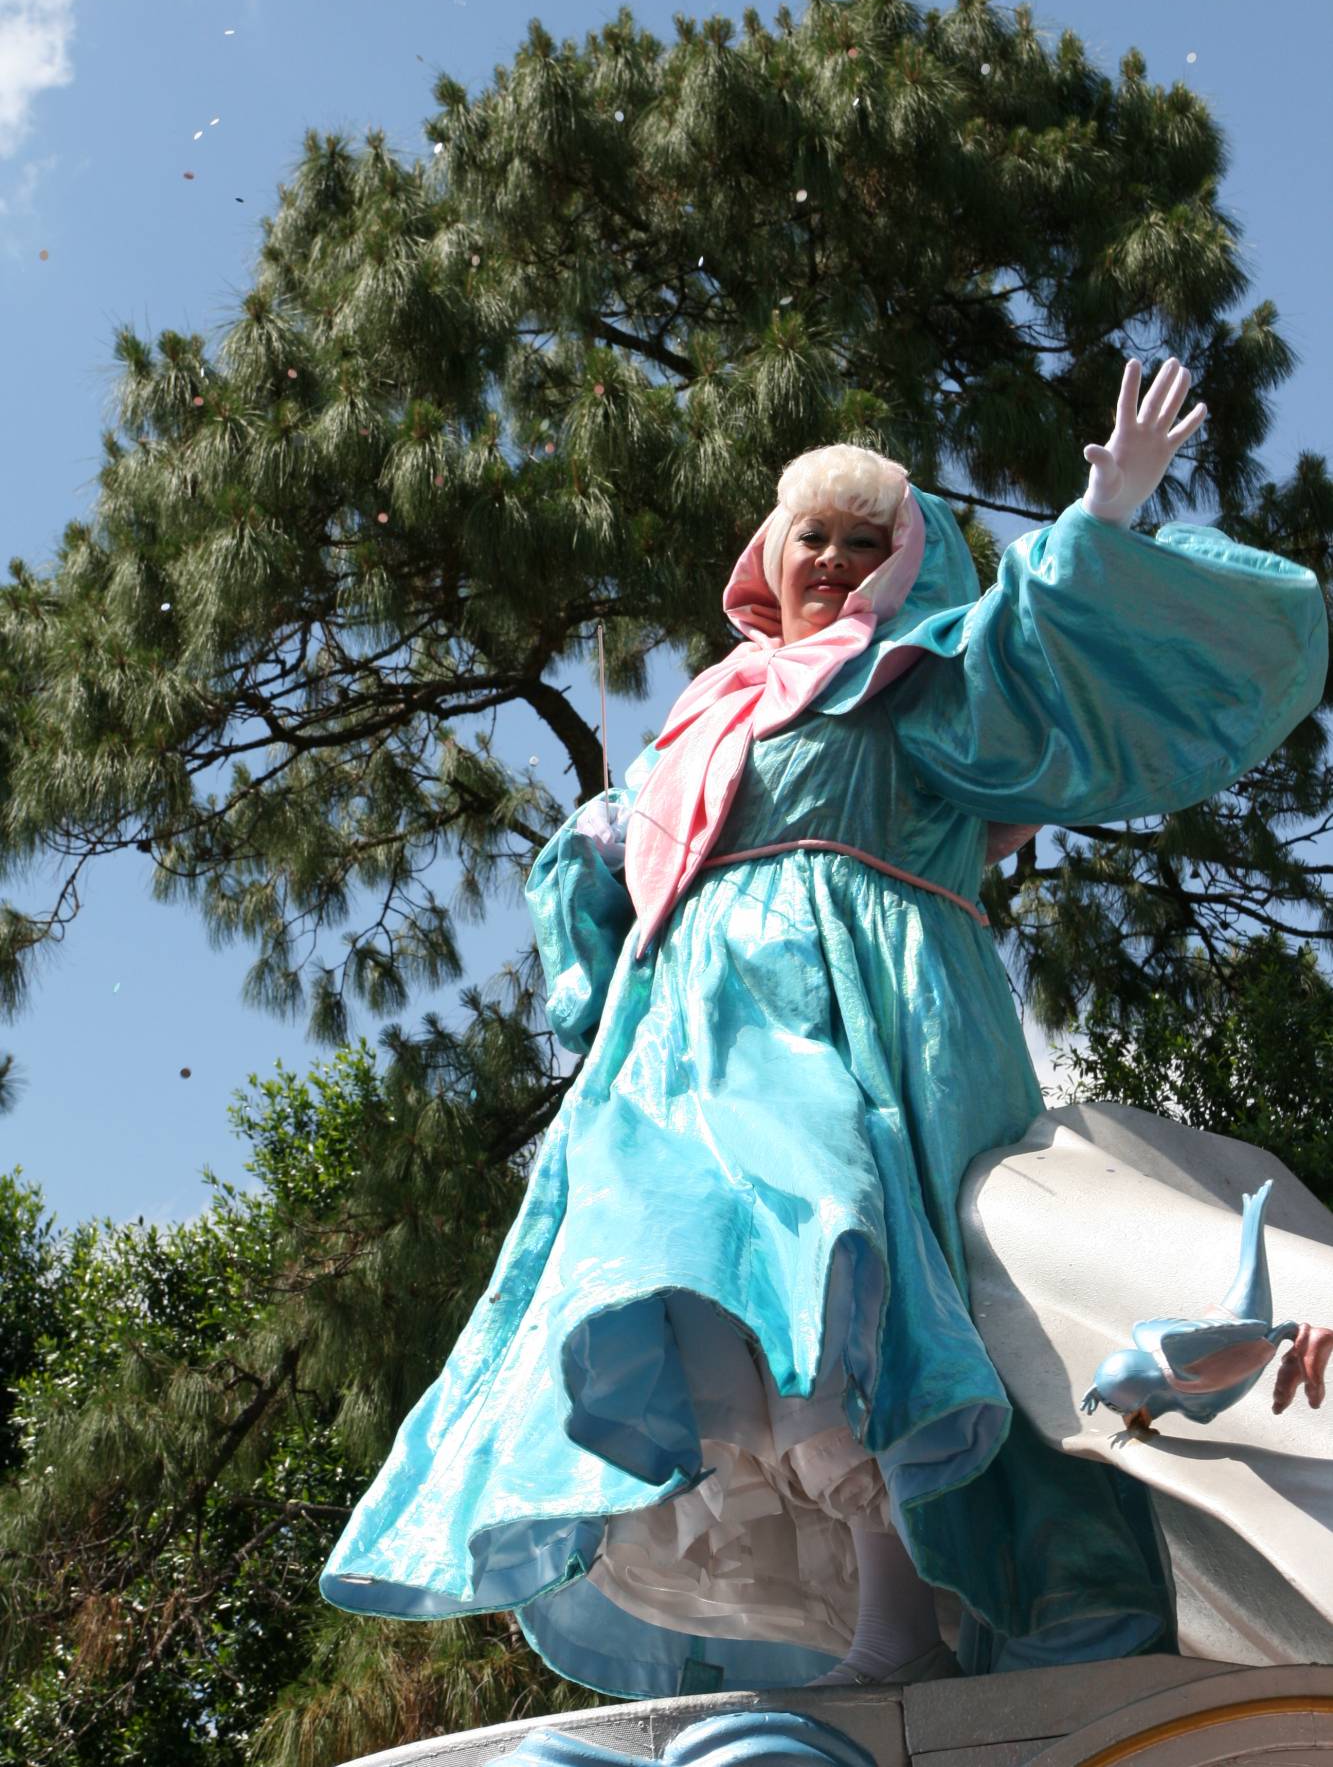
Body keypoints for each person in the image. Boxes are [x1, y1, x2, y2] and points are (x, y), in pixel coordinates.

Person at [320, 358, 1328, 1698]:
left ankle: (898, 1588)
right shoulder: (698, 717)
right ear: (769, 552)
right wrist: (598, 844)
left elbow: (1028, 652)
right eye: (817, 536)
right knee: (670, 1242)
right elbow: (608, 887)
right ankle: (856, 1563)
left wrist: (1100, 519)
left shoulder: (918, 673)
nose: (839, 563)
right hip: (687, 1020)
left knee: (837, 1223)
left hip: (868, 995)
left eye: (869, 543)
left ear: (903, 563)